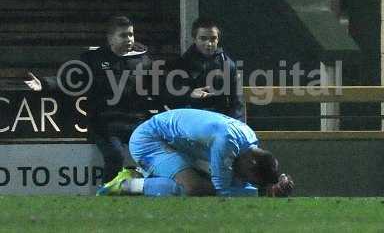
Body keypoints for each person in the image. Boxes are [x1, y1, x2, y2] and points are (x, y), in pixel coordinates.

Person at [25, 16, 157, 183]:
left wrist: (187, 92)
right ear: (110, 39)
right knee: (115, 154)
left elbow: (161, 85)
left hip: (136, 120)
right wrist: (45, 84)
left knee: (154, 150)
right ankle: (107, 193)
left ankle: (154, 188)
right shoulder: (93, 59)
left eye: (131, 34)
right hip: (104, 122)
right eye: (123, 35)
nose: (129, 39)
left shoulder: (144, 60)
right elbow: (72, 77)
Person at [96, 109, 294, 197]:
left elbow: (238, 182)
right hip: (149, 140)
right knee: (194, 188)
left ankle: (139, 175)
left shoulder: (249, 140)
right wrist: (261, 193)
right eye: (248, 176)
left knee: (218, 184)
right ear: (252, 163)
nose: (244, 178)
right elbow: (223, 191)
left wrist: (272, 184)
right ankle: (126, 185)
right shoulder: (226, 143)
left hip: (176, 143)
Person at [166, 17, 244, 121]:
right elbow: (168, 98)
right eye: (203, 38)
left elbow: (237, 102)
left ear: (218, 39)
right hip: (190, 120)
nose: (209, 44)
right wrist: (189, 94)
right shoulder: (180, 64)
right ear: (194, 39)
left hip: (219, 121)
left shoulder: (228, 65)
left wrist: (238, 126)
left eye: (213, 39)